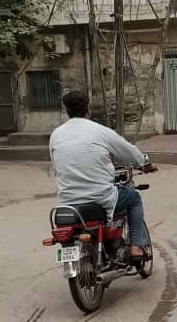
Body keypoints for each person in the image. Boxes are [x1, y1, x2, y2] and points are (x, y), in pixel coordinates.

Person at [49, 90, 156, 259]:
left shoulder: (55, 135)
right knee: (134, 198)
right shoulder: (100, 131)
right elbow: (128, 151)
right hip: (100, 197)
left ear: (67, 111)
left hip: (67, 201)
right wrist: (145, 163)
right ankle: (137, 247)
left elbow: (56, 167)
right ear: (88, 109)